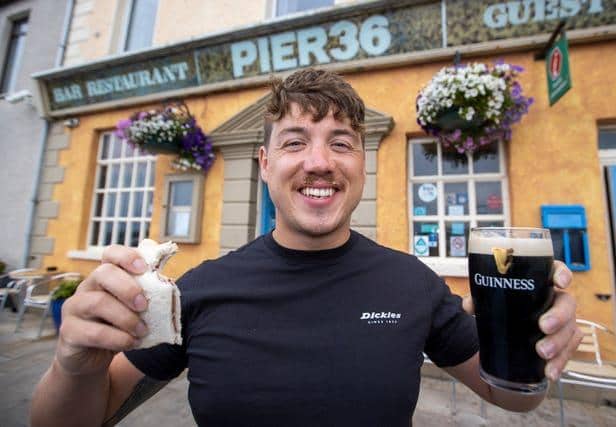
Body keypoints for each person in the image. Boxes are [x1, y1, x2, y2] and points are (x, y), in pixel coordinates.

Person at [31, 68, 582, 427]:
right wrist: (76, 367)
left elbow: (511, 396)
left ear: (360, 167)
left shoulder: (412, 284)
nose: (319, 162)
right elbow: (80, 416)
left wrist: (537, 349)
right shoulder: (197, 290)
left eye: (341, 143)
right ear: (266, 165)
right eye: (295, 142)